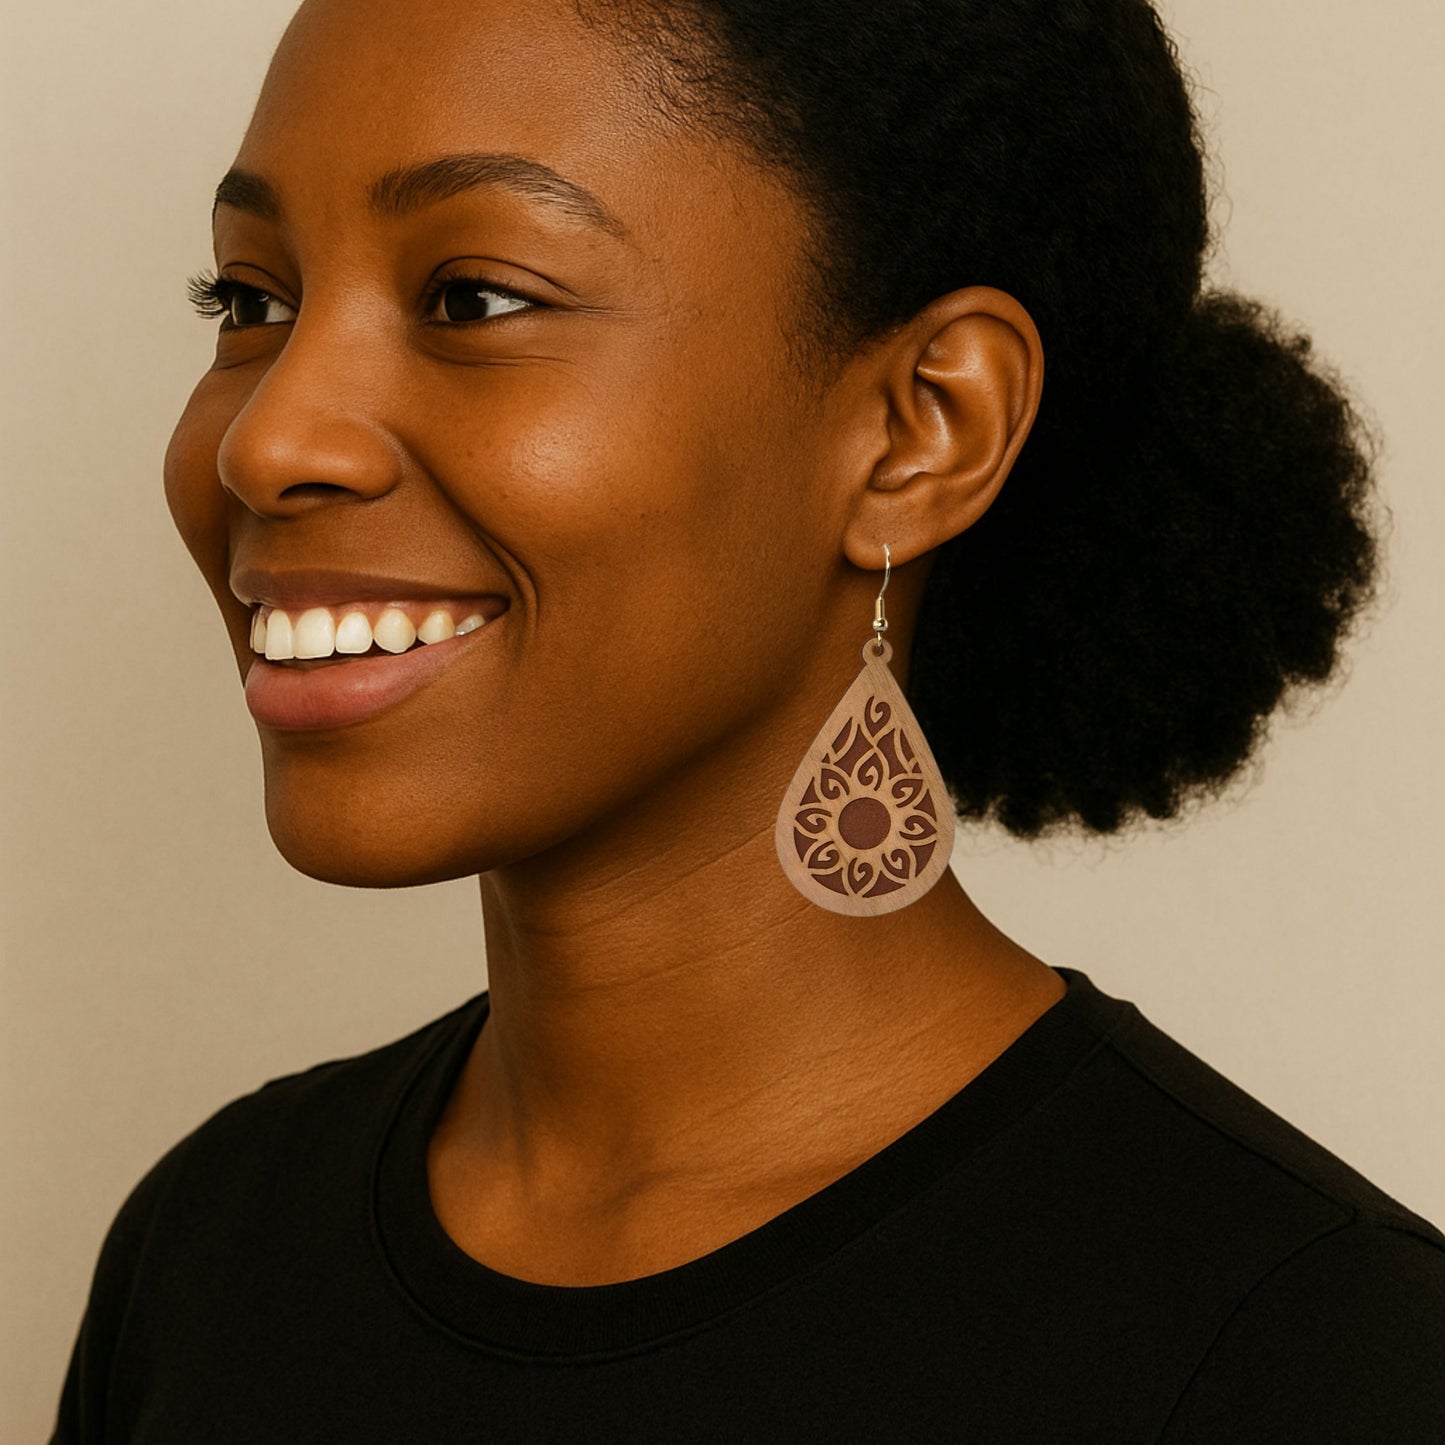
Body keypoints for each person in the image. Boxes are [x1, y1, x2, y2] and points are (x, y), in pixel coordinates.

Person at [53, 0, 1445, 1439]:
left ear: (919, 429)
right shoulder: (212, 1245)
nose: (268, 439)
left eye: (473, 298)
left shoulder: (1313, 1355)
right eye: (249, 302)